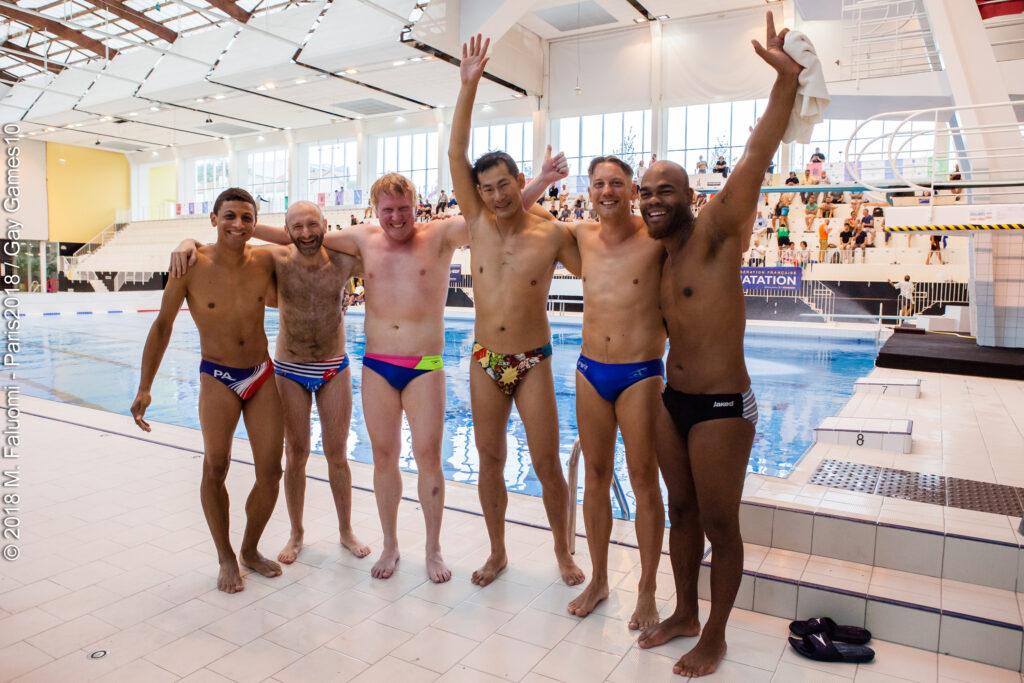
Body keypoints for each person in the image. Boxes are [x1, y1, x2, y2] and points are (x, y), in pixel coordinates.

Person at [634, 14, 799, 677]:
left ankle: (718, 633)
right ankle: (683, 611)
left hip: (725, 405)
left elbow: (759, 150)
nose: (649, 199)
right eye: (645, 191)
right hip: (674, 400)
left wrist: (784, 81)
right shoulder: (661, 259)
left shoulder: (719, 230)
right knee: (680, 511)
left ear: (690, 195)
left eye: (663, 189)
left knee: (720, 525)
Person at [450, 35, 585, 588]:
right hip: (485, 358)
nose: (498, 195)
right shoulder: (477, 223)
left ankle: (563, 552)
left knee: (547, 463)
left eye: (505, 184)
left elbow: (595, 270)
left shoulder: (551, 233)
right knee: (489, 462)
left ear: (515, 180)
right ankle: (498, 551)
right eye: (487, 189)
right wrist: (469, 86)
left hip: (532, 359)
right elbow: (456, 152)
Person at [170, 201, 372, 567]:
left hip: (333, 366)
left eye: (314, 224)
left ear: (326, 225)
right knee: (295, 455)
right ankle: (296, 533)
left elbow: (380, 251)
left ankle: (345, 530)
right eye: (298, 227)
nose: (306, 232)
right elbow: (231, 244)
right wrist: (188, 240)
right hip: (290, 367)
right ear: (287, 230)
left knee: (337, 455)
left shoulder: (344, 261)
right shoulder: (277, 258)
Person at [529, 155, 667, 630]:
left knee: (645, 478)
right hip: (590, 370)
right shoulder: (581, 238)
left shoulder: (656, 239)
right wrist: (543, 180)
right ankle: (601, 578)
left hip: (641, 372)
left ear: (633, 190)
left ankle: (648, 588)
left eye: (617, 183)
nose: (607, 191)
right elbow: (520, 215)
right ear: (588, 190)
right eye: (599, 184)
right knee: (594, 477)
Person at [132, 188, 283, 594]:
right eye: (230, 216)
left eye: (247, 218)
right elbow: (162, 325)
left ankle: (249, 549)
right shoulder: (191, 265)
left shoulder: (266, 260)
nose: (238, 224)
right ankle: (225, 556)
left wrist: (189, 240)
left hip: (260, 373)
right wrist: (145, 386)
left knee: (271, 472)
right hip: (217, 376)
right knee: (216, 467)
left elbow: (301, 240)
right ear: (214, 219)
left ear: (255, 222)